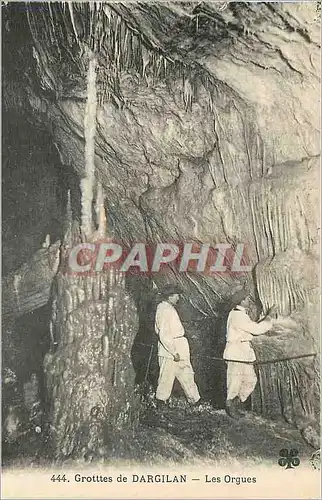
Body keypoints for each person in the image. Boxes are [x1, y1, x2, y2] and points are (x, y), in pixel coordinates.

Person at [223, 290, 275, 419]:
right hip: (236, 352)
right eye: (246, 299)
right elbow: (256, 329)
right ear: (241, 302)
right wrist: (269, 317)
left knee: (251, 381)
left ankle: (236, 404)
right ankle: (231, 407)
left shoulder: (241, 314)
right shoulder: (237, 315)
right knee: (234, 382)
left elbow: (251, 327)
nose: (249, 301)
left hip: (243, 352)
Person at [154, 284, 201, 408]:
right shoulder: (163, 309)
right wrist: (173, 351)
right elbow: (164, 333)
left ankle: (195, 400)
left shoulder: (169, 308)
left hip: (179, 345)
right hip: (170, 349)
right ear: (169, 296)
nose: (178, 298)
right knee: (166, 376)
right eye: (176, 295)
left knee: (187, 373)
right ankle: (161, 402)